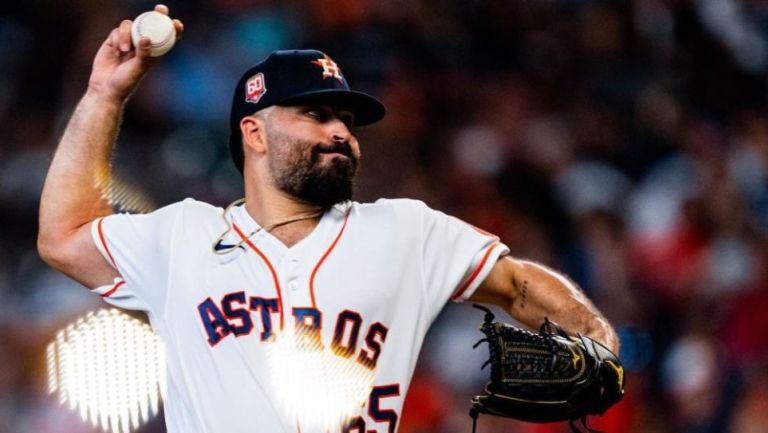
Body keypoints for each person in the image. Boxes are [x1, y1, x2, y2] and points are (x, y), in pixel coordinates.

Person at [38, 5, 619, 433]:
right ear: (254, 132)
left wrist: (597, 339)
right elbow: (63, 236)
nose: (340, 130)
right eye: (315, 113)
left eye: (345, 118)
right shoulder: (182, 236)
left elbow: (518, 284)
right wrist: (104, 96)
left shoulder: (405, 231)